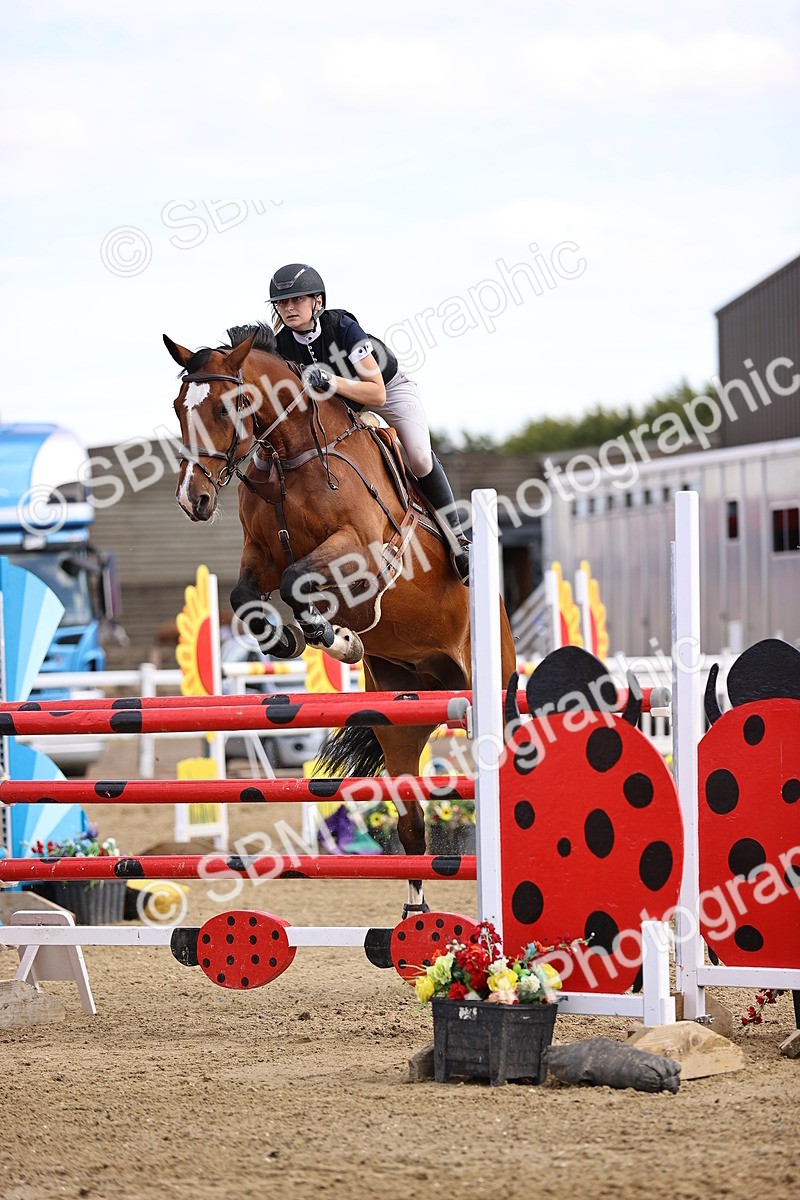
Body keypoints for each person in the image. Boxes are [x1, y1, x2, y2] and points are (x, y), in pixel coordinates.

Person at [268, 262, 470, 584]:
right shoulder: (281, 347)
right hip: (340, 406)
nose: (289, 308)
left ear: (317, 302)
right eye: (282, 303)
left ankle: (459, 539)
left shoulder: (344, 327)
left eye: (297, 300)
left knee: (417, 455)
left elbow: (375, 393)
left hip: (387, 390)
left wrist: (331, 381)